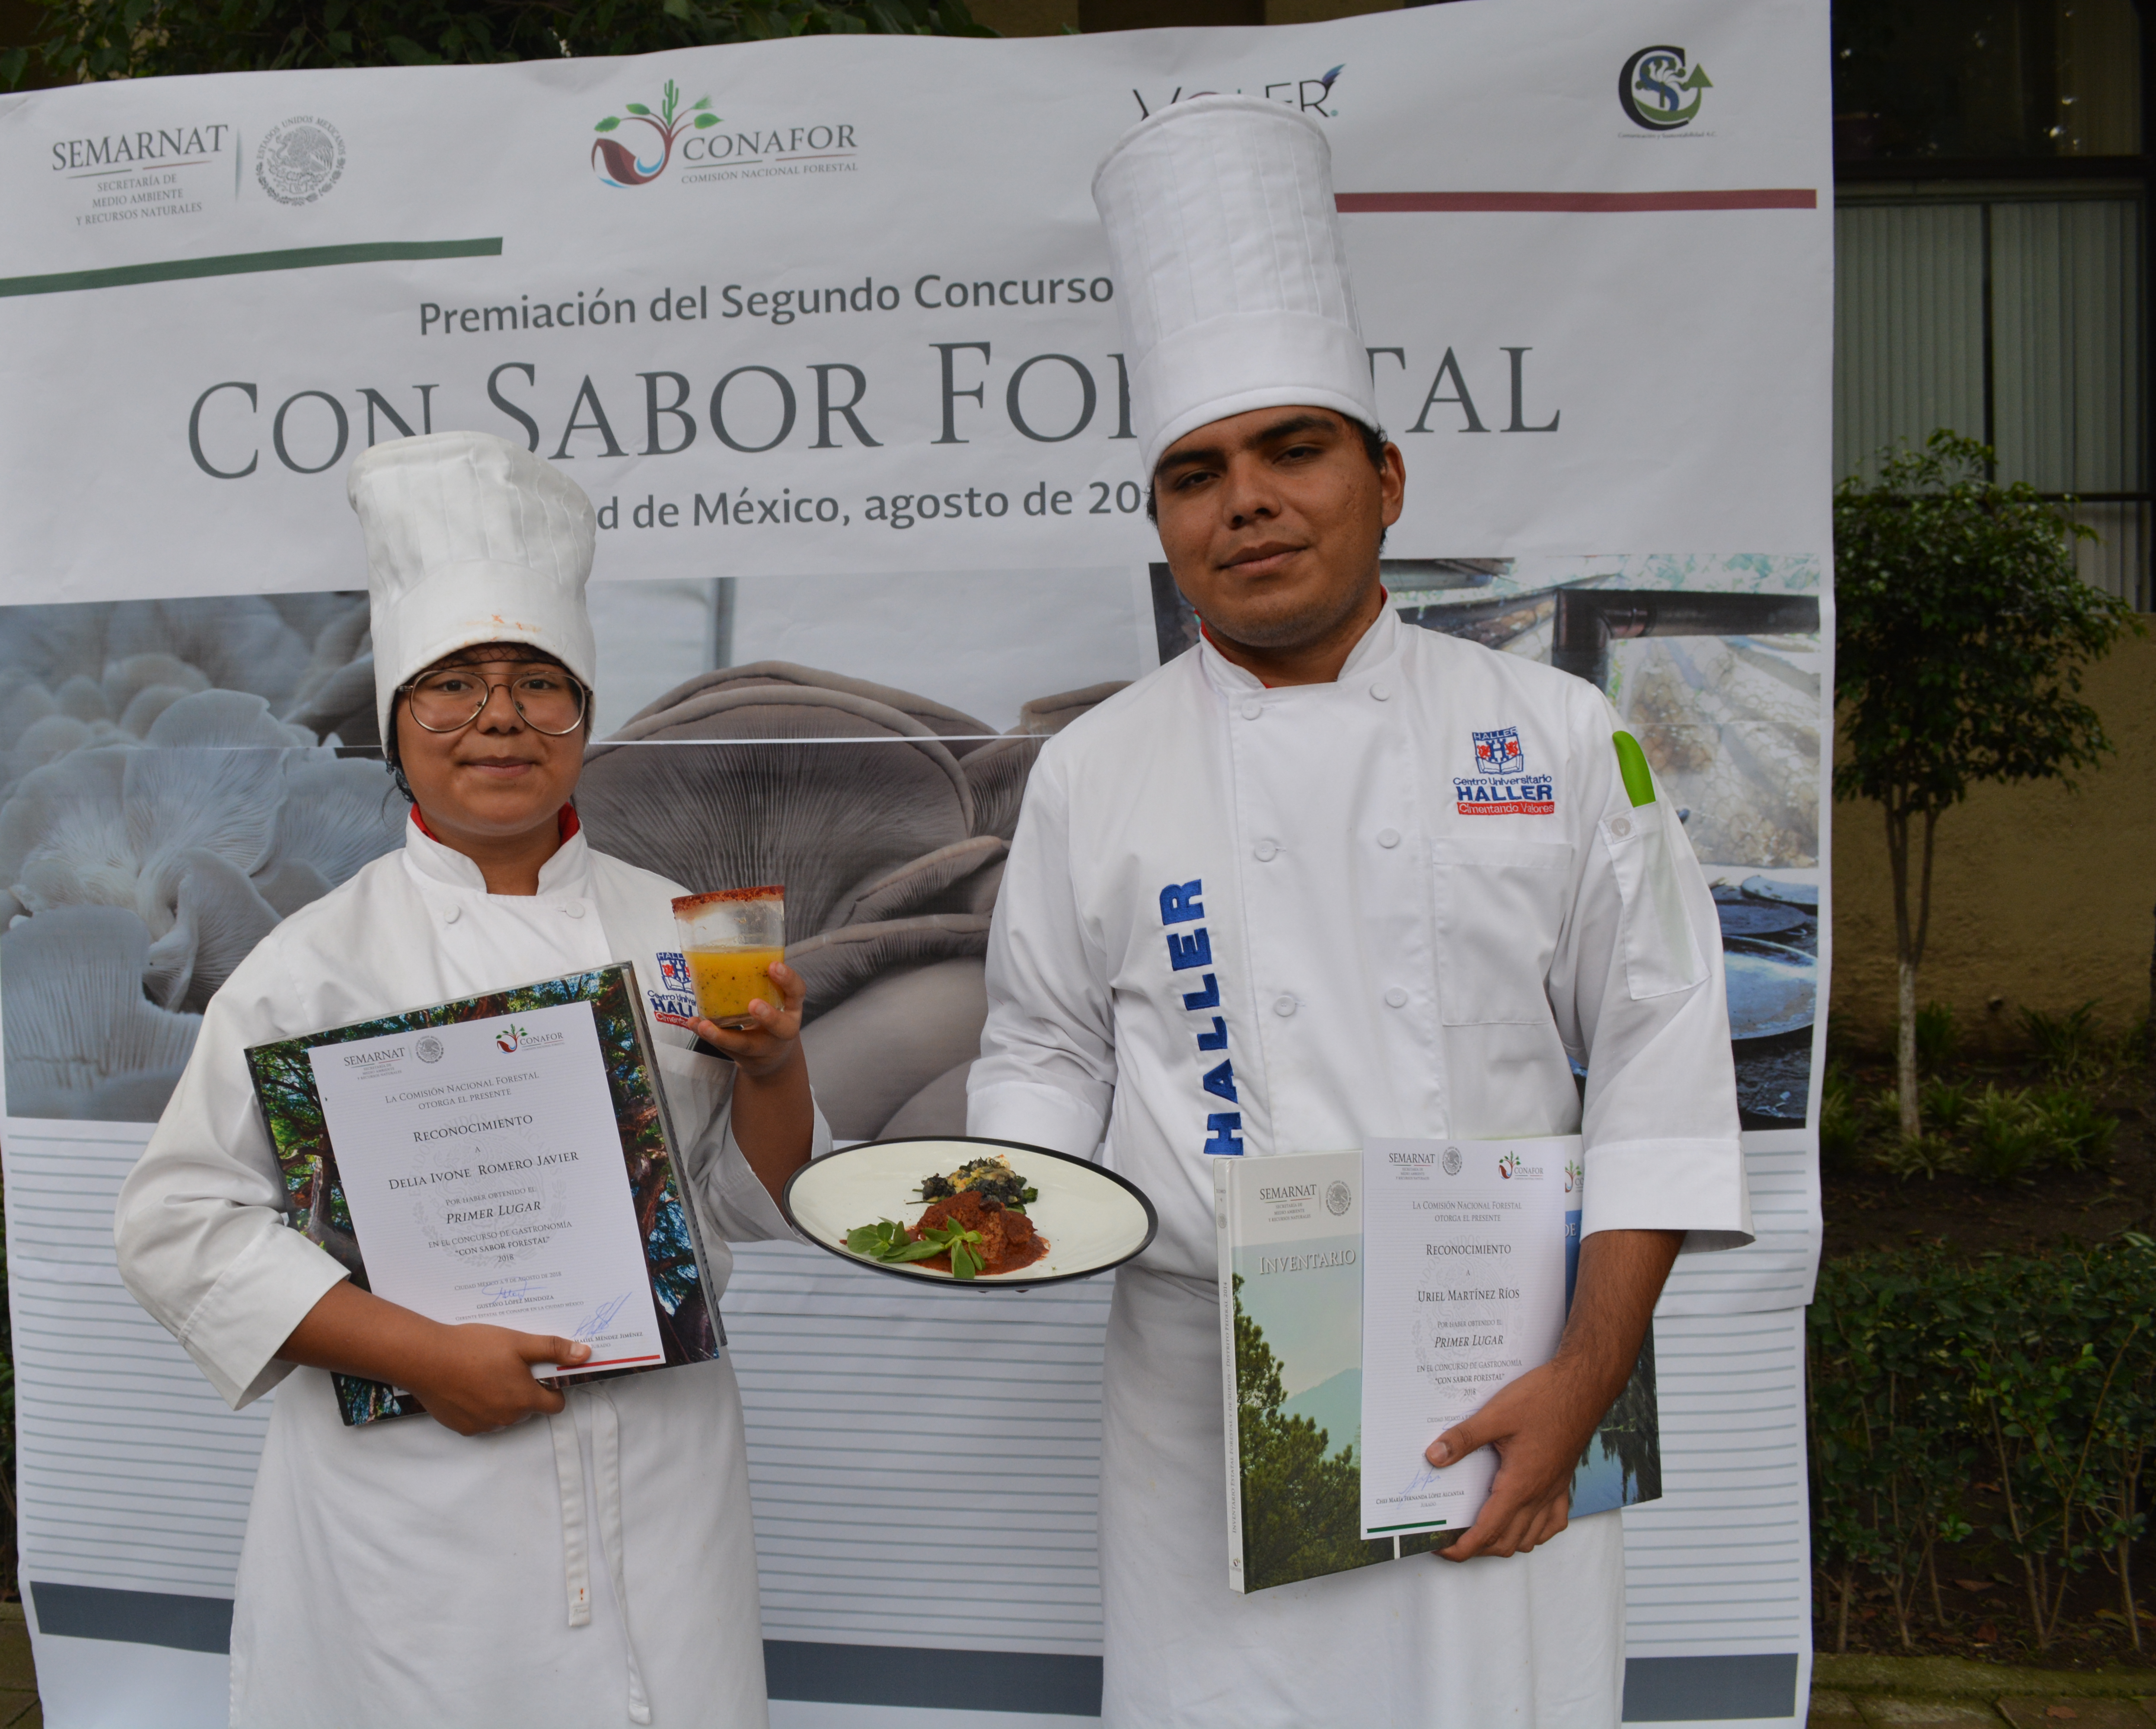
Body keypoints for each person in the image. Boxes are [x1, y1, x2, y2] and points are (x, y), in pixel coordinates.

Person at [965, 98, 1751, 1726]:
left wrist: (1589, 1379)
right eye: (1196, 472)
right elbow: (1040, 1040)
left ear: (1386, 478)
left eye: (1291, 449)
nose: (1244, 501)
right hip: (1198, 1387)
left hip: (1507, 1364)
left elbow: (1666, 1059)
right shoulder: (1094, 768)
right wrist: (1008, 1194)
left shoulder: (1555, 736)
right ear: (1165, 519)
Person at [115, 430, 824, 1729]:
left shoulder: (685, 930)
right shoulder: (312, 964)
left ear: (587, 713)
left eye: (539, 682)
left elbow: (751, 1203)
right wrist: (421, 1352)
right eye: (452, 683)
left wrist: (776, 1067)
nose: (499, 717)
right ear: (395, 718)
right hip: (416, 1503)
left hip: (663, 1468)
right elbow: (175, 1227)